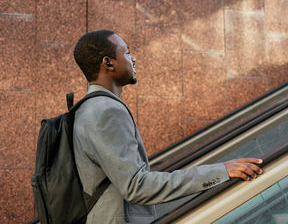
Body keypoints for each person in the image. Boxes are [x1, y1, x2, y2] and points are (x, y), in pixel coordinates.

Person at [73, 30, 263, 224]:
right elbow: (136, 186)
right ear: (108, 63)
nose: (133, 59)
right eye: (127, 53)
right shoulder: (105, 112)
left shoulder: (90, 109)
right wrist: (220, 171)